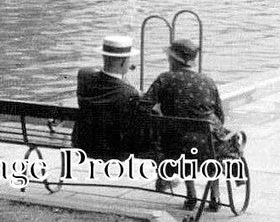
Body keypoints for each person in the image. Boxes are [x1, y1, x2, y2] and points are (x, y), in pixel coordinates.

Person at [143, 38, 228, 212]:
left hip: (175, 146)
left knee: (183, 140)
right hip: (207, 146)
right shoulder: (208, 82)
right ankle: (215, 195)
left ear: (173, 60)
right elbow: (220, 115)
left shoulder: (164, 79)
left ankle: (191, 194)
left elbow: (143, 105)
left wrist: (159, 113)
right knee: (213, 139)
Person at [74, 36, 148, 160]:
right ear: (124, 62)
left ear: (103, 57)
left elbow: (99, 76)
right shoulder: (130, 93)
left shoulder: (83, 75)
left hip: (82, 143)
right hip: (114, 151)